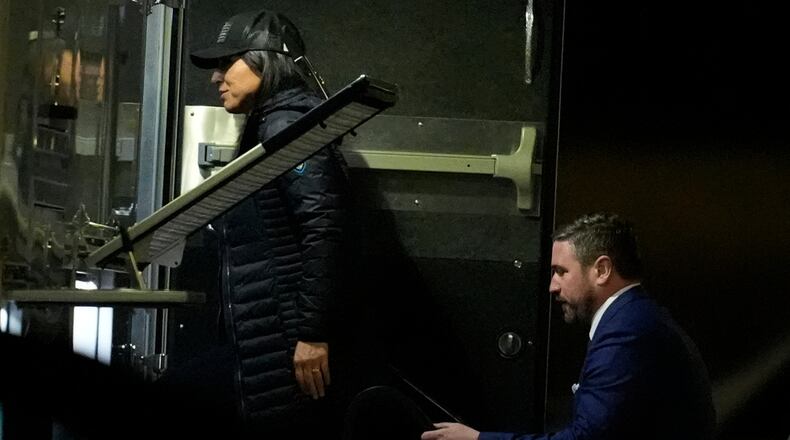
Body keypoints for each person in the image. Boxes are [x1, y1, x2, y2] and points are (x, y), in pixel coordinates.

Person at [184, 8, 348, 439]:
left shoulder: (288, 124)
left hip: (284, 343)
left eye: (226, 63)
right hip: (267, 340)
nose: (216, 77)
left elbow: (324, 227)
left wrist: (312, 335)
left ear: (264, 59)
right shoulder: (271, 124)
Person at [421, 212, 715, 440]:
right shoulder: (635, 318)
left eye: (561, 272)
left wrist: (479, 438)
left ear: (601, 270)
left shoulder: (627, 331)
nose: (552, 286)